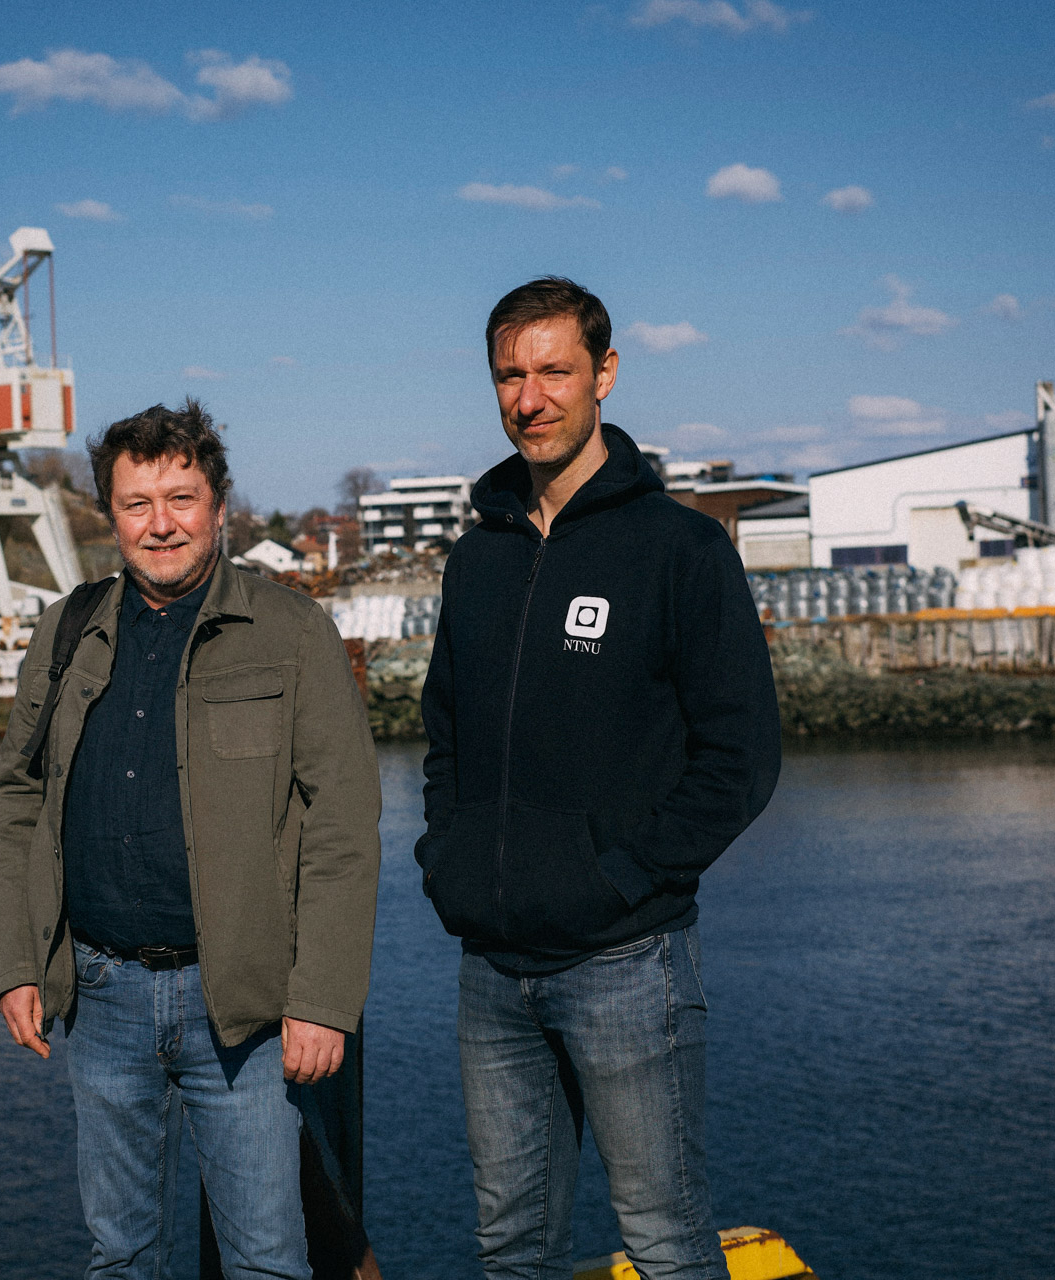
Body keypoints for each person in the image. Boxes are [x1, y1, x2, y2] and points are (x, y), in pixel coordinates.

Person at [418, 278, 782, 1280]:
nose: (529, 397)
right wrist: (447, 860)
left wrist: (623, 878)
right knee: (510, 1250)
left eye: (554, 371)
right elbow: (442, 732)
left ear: (604, 375)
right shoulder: (475, 558)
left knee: (665, 1242)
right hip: (491, 967)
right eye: (510, 374)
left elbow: (741, 758)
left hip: (626, 962)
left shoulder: (680, 549)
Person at [0, 398, 381, 1279]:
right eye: (137, 504)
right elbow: (16, 797)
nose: (160, 524)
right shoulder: (65, 631)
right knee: (119, 1256)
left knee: (267, 1261)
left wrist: (322, 999)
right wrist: (17, 961)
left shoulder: (291, 633)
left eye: (181, 498)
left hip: (238, 1008)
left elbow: (345, 829)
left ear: (219, 506)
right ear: (110, 515)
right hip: (99, 998)